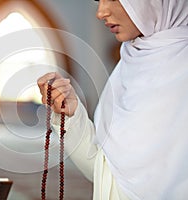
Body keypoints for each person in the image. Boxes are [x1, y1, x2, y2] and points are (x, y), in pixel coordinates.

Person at [37, 0, 188, 199]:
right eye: (98, 1)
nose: (100, 12)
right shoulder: (132, 59)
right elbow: (108, 175)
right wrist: (71, 113)